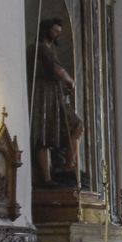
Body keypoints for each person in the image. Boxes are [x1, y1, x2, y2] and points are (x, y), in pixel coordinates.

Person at [27, 17, 83, 187]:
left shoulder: (49, 48)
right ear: (46, 30)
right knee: (43, 136)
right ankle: (46, 178)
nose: (57, 34)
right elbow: (56, 69)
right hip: (42, 96)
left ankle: (68, 166)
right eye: (55, 31)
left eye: (59, 32)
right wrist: (70, 80)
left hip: (54, 96)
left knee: (76, 125)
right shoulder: (39, 48)